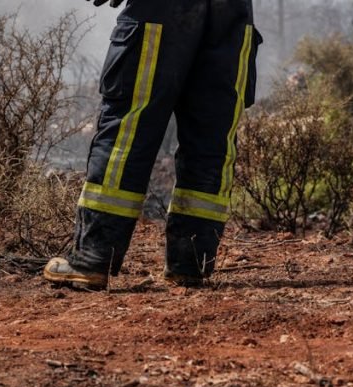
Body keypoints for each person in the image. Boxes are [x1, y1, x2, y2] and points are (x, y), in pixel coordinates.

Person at [43, 0, 261, 290]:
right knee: (211, 139)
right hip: (232, 18)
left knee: (128, 130)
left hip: (160, 13)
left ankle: (92, 259)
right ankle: (190, 263)